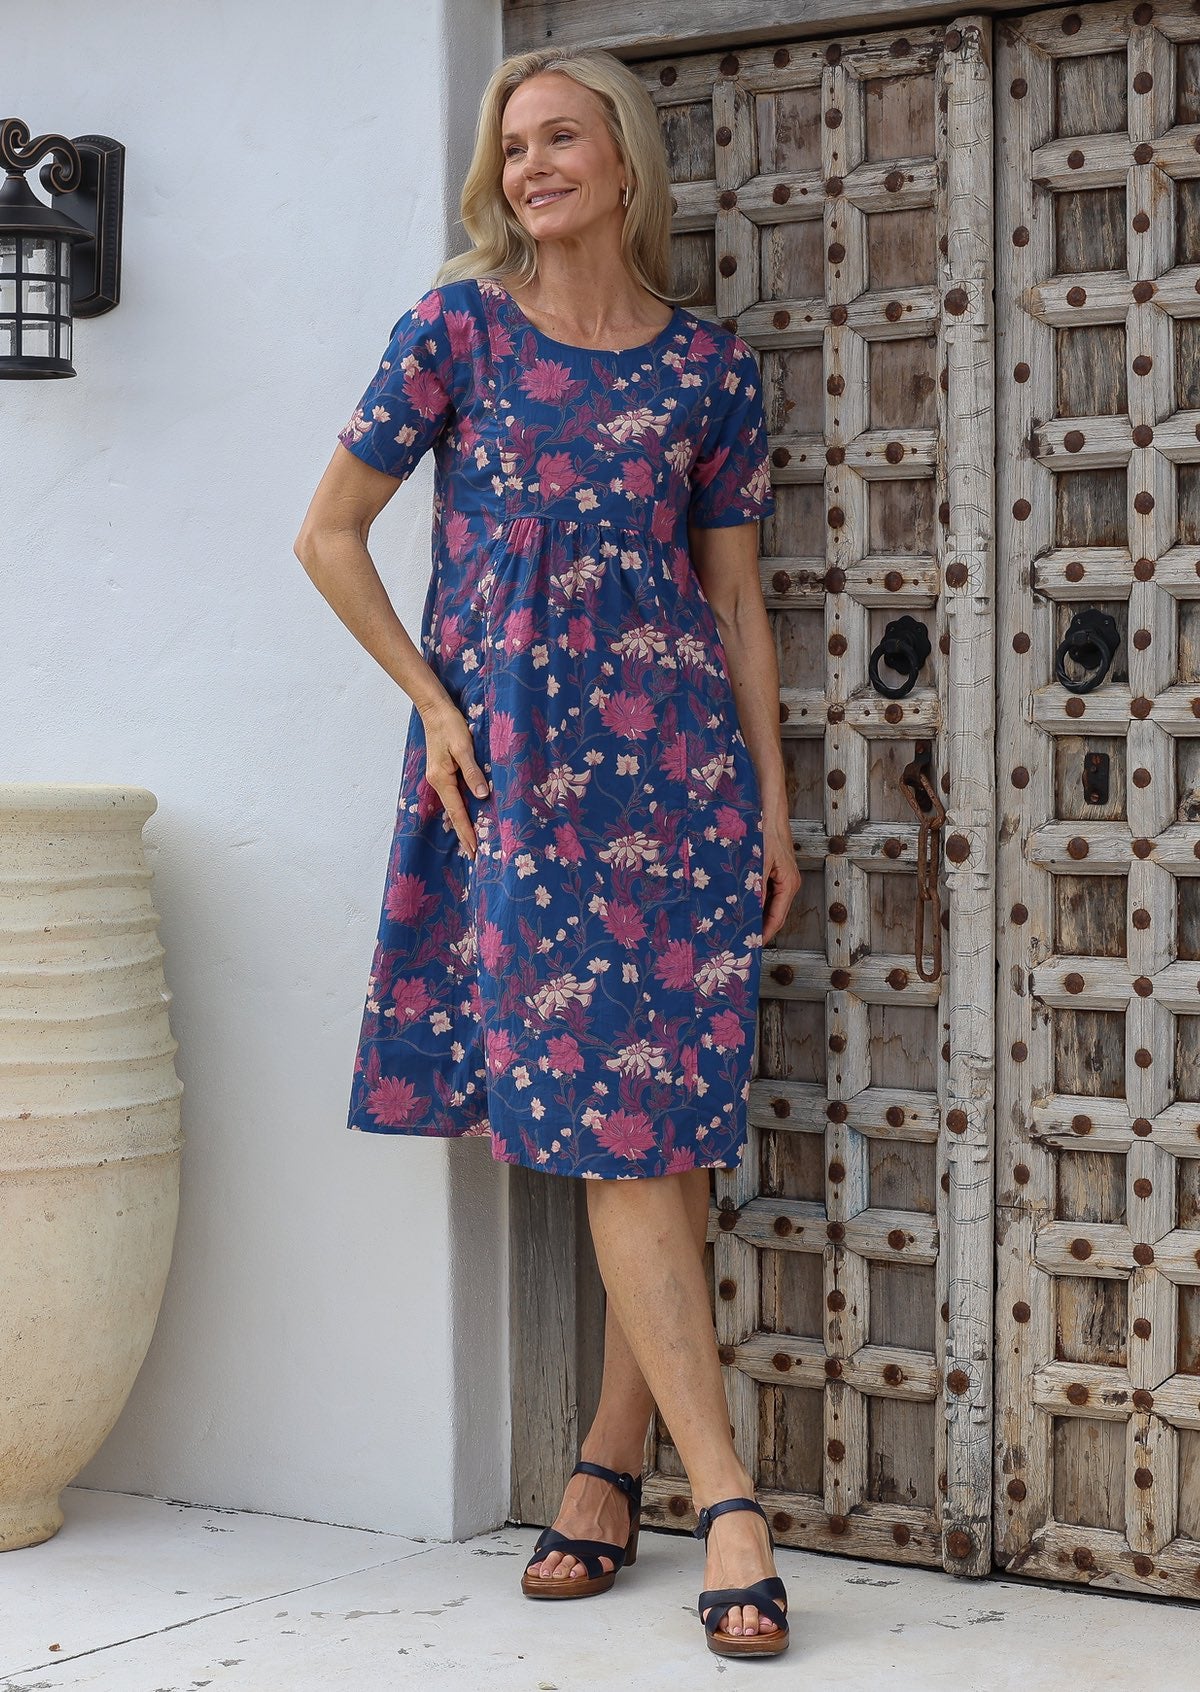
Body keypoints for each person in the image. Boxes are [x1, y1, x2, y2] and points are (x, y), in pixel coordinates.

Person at [294, 43, 802, 1660]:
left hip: (686, 798)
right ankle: (730, 1499)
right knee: (616, 1132)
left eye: (559, 137)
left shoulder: (709, 371)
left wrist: (776, 808)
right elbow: (328, 535)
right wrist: (433, 705)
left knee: (660, 1130)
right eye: (511, 145)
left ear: (625, 159)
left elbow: (733, 602)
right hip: (520, 785)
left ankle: (607, 1466)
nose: (529, 167)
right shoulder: (456, 330)